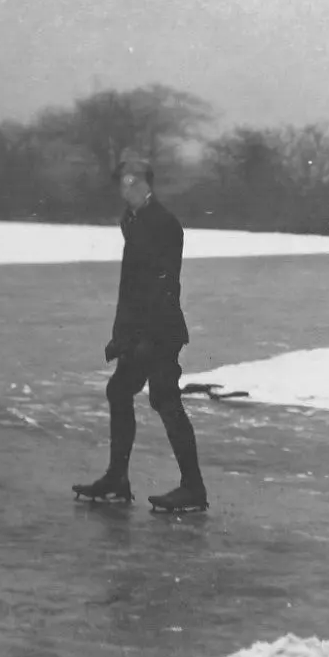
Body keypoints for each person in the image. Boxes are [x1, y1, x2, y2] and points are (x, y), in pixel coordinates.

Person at [73, 157, 208, 512]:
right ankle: (117, 478)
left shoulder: (162, 223)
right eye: (122, 182)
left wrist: (143, 335)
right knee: (120, 391)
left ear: (148, 183)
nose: (126, 188)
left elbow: (162, 285)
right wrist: (122, 334)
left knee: (164, 400)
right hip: (140, 330)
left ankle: (193, 489)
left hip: (160, 329)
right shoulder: (131, 220)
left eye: (133, 182)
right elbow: (130, 285)